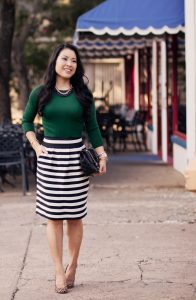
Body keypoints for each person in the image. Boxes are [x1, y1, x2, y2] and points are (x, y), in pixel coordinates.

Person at [22, 43, 107, 294]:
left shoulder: (83, 95)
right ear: (55, 61)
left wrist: (102, 155)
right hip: (50, 159)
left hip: (77, 160)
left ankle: (74, 265)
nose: (69, 63)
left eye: (73, 60)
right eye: (64, 59)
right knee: (54, 217)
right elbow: (27, 120)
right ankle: (59, 270)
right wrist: (37, 146)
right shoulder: (40, 92)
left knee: (75, 215)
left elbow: (92, 127)